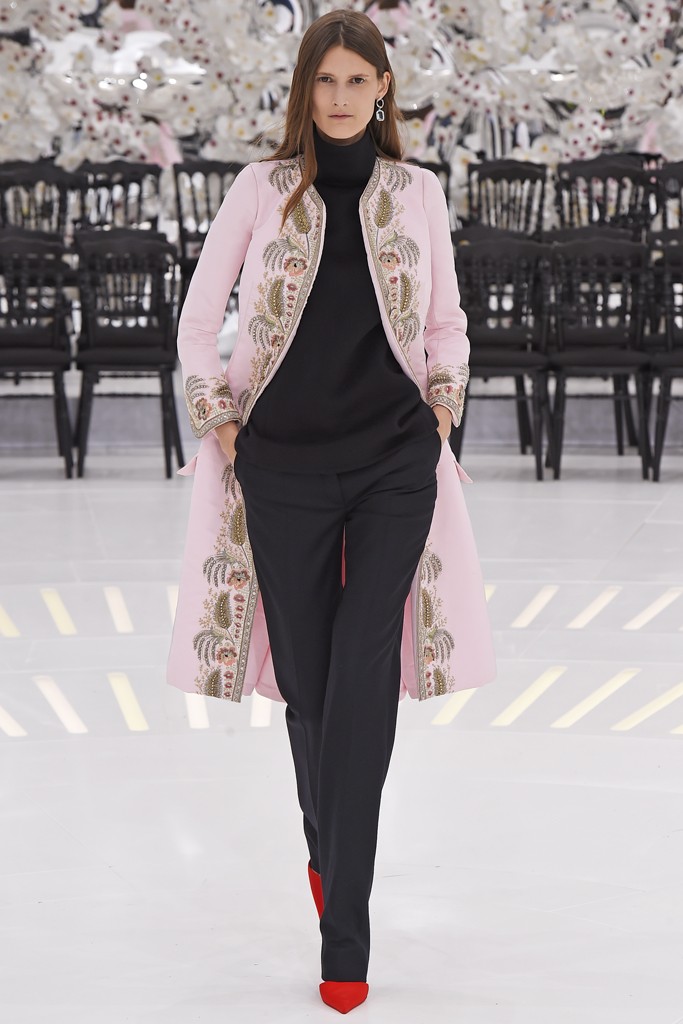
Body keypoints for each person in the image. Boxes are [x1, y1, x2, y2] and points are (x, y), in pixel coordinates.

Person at [167, 8, 496, 1015]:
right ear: (303, 90)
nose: (341, 97)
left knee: (360, 674)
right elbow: (198, 323)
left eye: (358, 80)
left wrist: (440, 412)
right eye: (325, 80)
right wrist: (223, 425)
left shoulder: (417, 193)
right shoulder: (261, 190)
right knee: (309, 689)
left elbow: (444, 322)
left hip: (394, 464)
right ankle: (327, 850)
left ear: (383, 89)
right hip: (280, 469)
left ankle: (343, 926)